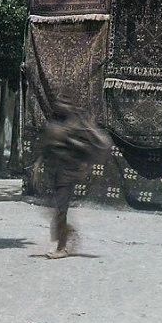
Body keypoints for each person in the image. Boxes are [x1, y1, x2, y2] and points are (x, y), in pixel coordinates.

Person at [35, 95, 111, 258]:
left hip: (68, 172)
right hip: (53, 171)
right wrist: (37, 166)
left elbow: (101, 144)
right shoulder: (53, 125)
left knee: (60, 210)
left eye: (66, 103)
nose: (61, 106)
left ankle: (62, 247)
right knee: (52, 209)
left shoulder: (78, 125)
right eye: (59, 103)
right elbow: (45, 147)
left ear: (71, 106)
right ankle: (68, 233)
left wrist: (73, 141)